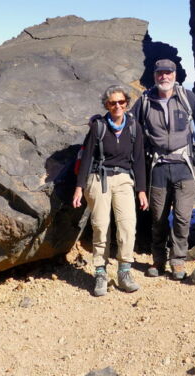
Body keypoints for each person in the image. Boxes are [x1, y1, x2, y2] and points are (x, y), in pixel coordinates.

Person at [131, 59, 195, 280]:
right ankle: (158, 261)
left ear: (174, 75)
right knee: (158, 219)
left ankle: (178, 261)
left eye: (168, 73)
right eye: (160, 73)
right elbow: (128, 123)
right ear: (155, 75)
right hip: (158, 167)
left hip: (184, 167)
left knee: (182, 218)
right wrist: (101, 123)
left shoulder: (186, 97)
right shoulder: (145, 101)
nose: (164, 77)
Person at [72, 85, 148, 296]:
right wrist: (79, 188)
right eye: (112, 103)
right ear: (106, 104)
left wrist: (141, 190)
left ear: (127, 104)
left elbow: (139, 160)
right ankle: (100, 273)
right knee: (100, 226)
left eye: (121, 102)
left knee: (127, 225)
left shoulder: (134, 127)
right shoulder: (98, 127)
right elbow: (86, 158)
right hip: (99, 178)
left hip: (124, 179)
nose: (117, 106)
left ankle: (124, 272)